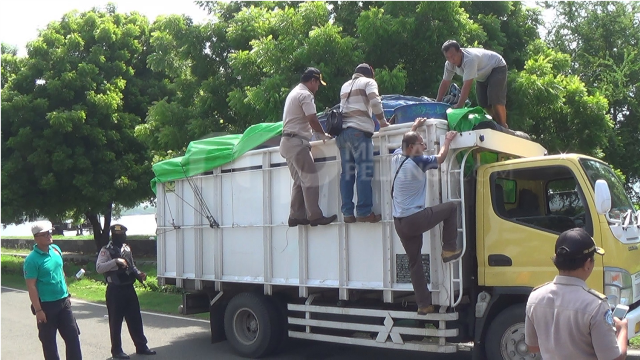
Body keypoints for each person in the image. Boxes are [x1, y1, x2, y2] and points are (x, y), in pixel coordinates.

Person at [525, 228, 628, 359]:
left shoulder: (535, 297)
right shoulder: (595, 305)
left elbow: (533, 347)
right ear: (588, 264)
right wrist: (622, 330)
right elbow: (614, 358)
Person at [391, 119, 459, 315]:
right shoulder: (418, 161)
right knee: (451, 208)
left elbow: (406, 142)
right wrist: (447, 139)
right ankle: (449, 249)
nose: (425, 145)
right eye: (422, 143)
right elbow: (441, 157)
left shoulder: (397, 156)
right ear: (412, 148)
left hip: (400, 223)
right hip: (414, 219)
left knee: (415, 263)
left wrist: (413, 127)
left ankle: (424, 305)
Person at [280, 67, 337, 227]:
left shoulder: (294, 92)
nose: (318, 88)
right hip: (297, 143)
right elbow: (311, 118)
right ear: (313, 81)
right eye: (318, 84)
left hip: (287, 143)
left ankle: (296, 216)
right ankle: (315, 216)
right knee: (310, 178)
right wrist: (322, 134)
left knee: (300, 180)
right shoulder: (305, 95)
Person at [336, 63, 390, 223]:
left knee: (346, 174)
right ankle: (364, 212)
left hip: (342, 135)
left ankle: (347, 213)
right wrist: (382, 121)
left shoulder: (344, 86)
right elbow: (375, 101)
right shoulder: (368, 82)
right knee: (364, 172)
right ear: (370, 75)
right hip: (359, 132)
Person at [24, 220, 82, 360]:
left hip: (63, 302)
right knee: (49, 342)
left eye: (50, 232)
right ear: (36, 238)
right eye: (45, 234)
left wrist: (67, 293)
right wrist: (38, 310)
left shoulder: (56, 249)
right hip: (46, 305)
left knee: (73, 336)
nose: (49, 236)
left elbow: (60, 271)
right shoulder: (31, 260)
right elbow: (31, 286)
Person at [96, 224, 156, 359]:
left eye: (123, 234)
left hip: (129, 287)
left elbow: (132, 266)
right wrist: (115, 261)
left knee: (135, 318)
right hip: (115, 290)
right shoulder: (106, 250)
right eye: (119, 235)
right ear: (113, 236)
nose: (122, 237)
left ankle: (141, 346)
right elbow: (99, 268)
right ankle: (116, 351)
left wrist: (139, 274)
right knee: (116, 321)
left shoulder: (126, 248)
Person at [436, 40, 509, 128]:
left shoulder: (470, 59)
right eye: (448, 57)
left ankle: (503, 126)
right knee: (483, 103)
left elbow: (467, 85)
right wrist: (437, 102)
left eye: (453, 56)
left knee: (494, 98)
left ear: (460, 51)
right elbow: (445, 82)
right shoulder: (449, 64)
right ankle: (493, 124)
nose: (451, 60)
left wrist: (459, 105)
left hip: (496, 67)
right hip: (481, 75)